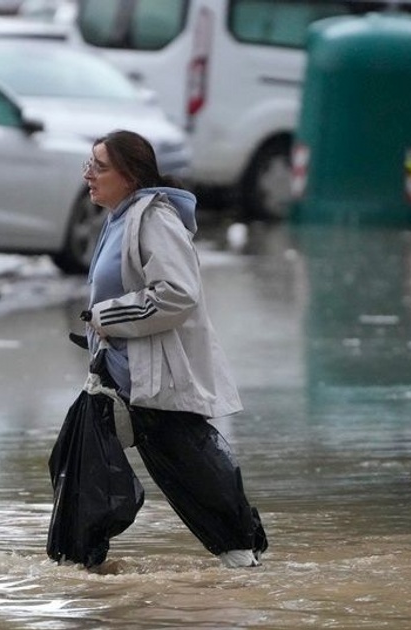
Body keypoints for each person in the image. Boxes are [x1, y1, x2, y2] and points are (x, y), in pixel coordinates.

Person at [77, 129, 268, 569]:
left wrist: (107, 317)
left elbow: (178, 294)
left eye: (99, 167)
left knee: (201, 482)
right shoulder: (119, 217)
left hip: (153, 383)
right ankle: (82, 572)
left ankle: (246, 571)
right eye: (89, 165)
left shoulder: (153, 218)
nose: (89, 175)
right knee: (77, 471)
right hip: (115, 379)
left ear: (130, 176)